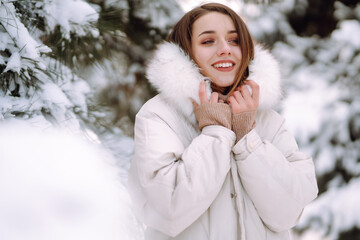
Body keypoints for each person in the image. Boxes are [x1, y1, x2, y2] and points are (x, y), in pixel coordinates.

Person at [128, 3, 318, 240]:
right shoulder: (158, 116)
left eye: (235, 40)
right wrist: (215, 132)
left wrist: (248, 138)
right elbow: (169, 208)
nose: (225, 49)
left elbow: (288, 212)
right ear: (185, 52)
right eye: (208, 41)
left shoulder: (268, 120)